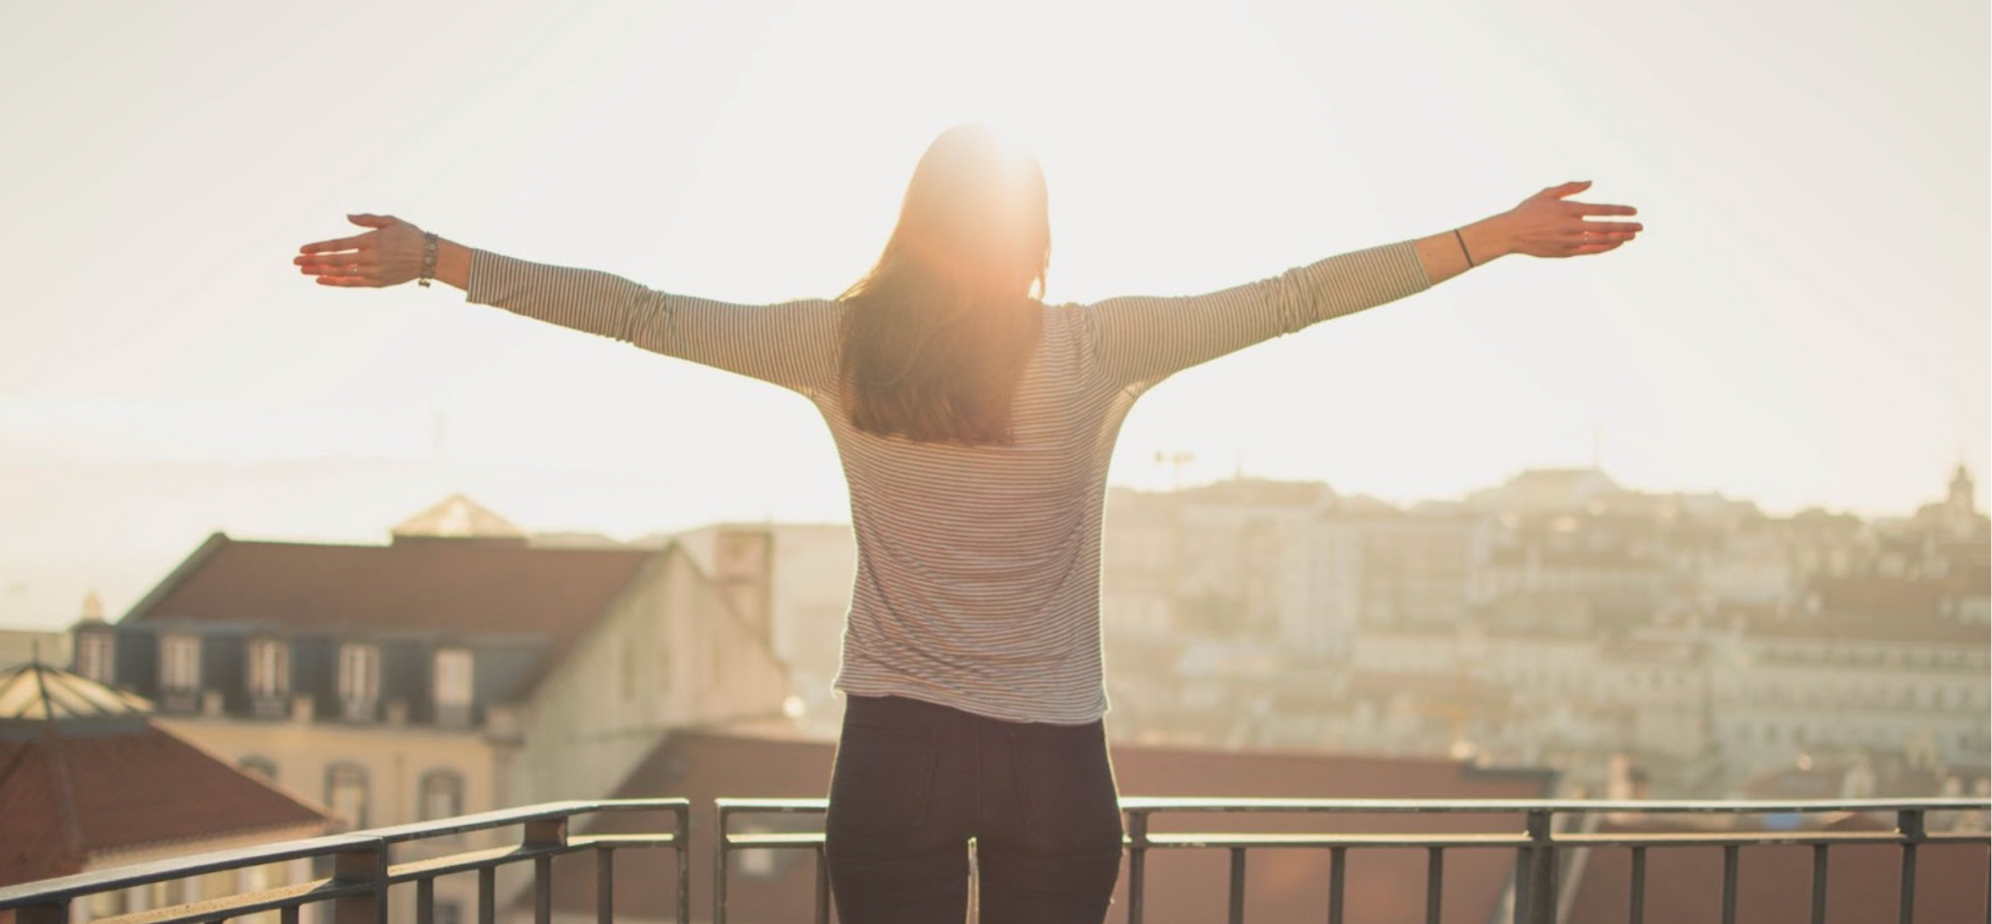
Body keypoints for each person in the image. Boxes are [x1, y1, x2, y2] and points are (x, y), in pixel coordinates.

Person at [294, 123, 1640, 923]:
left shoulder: (837, 345)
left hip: (894, 752)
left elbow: (638, 311)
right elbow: (1297, 296)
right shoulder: (1094, 346)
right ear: (1034, 232)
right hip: (1056, 761)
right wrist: (1491, 234)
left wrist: (443, 260)